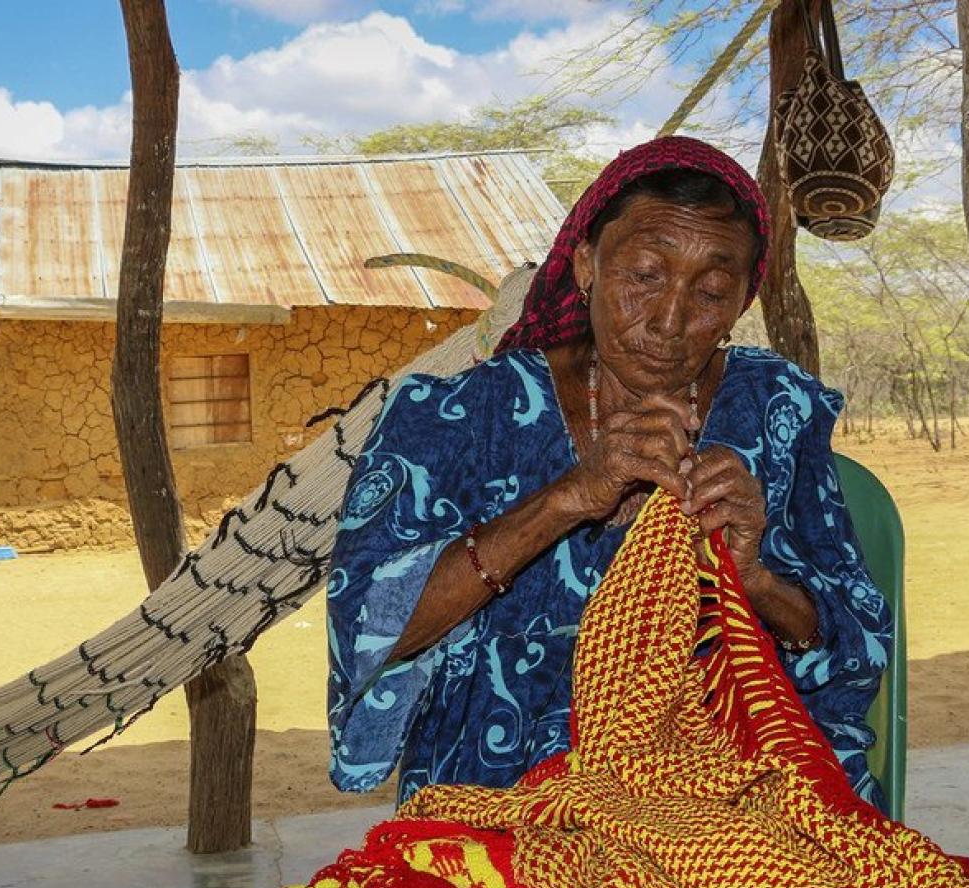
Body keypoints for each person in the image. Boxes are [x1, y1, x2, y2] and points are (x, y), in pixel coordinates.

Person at [326, 135, 894, 812]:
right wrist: (566, 499)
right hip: (502, 787)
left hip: (728, 790)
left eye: (712, 290)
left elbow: (849, 646)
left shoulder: (777, 411)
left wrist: (755, 582)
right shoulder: (458, 416)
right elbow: (370, 630)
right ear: (588, 263)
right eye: (645, 276)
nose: (671, 320)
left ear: (743, 299)